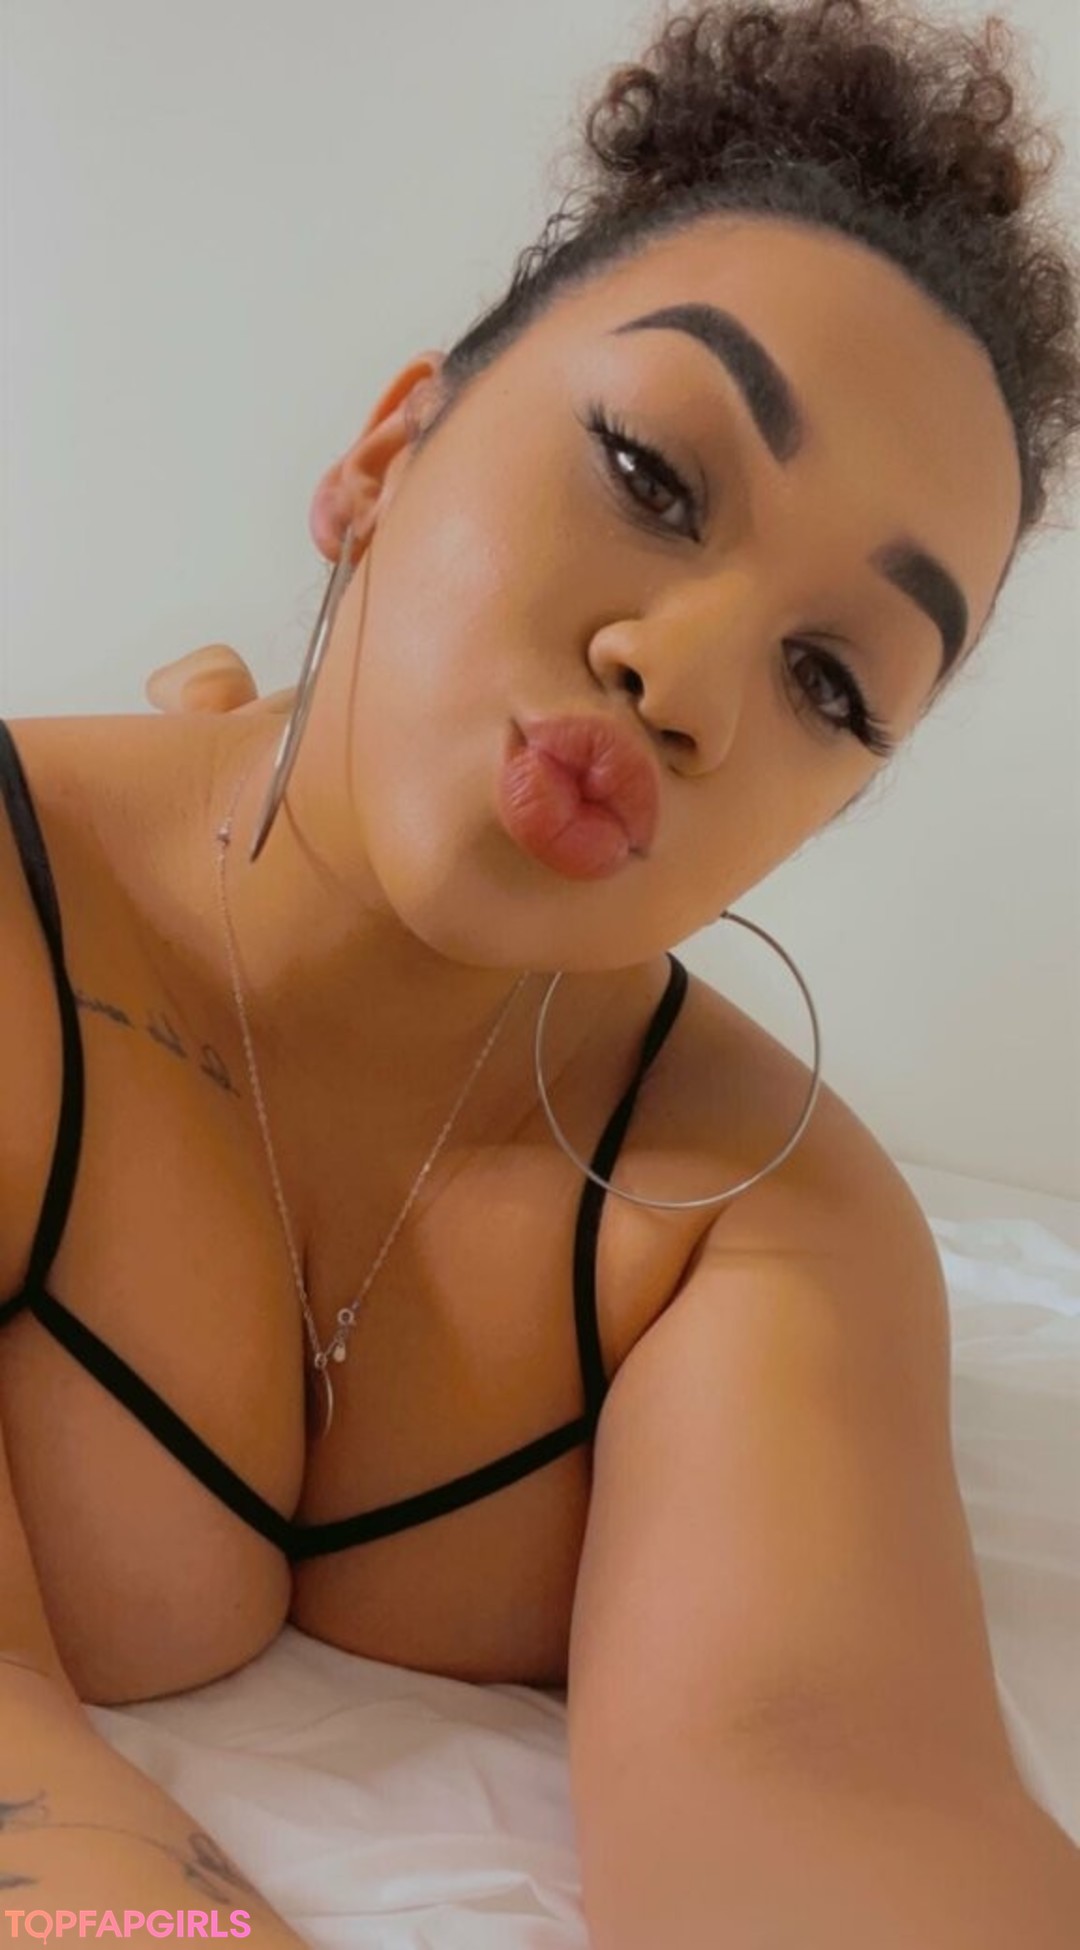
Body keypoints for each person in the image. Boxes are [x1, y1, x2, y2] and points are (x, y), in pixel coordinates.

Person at [2, 1, 1079, 1943]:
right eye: (655, 477)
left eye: (832, 681)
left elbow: (827, 1805)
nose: (685, 682)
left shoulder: (759, 1217)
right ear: (384, 452)